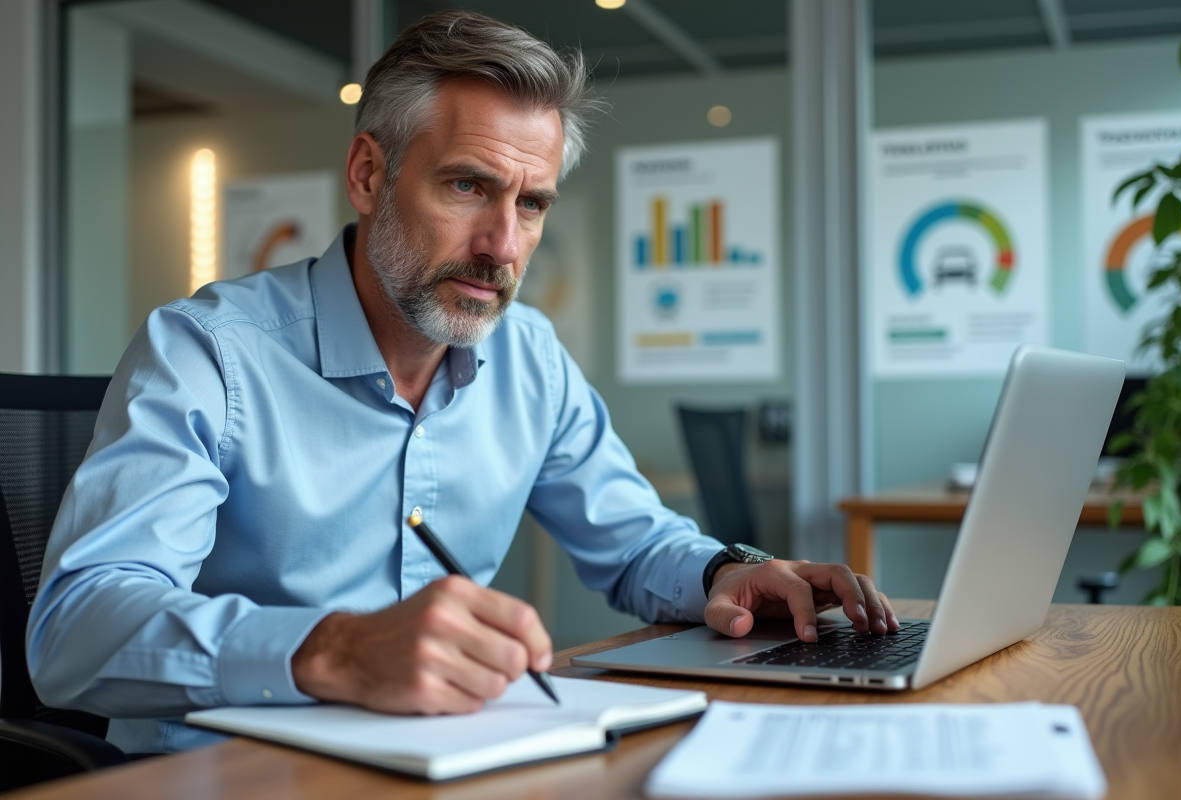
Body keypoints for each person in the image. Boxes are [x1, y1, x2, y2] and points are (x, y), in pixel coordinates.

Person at [28, 10, 896, 754]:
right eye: (468, 186)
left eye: (531, 204)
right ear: (369, 174)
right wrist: (332, 650)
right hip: (231, 771)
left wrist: (722, 571)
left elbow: (634, 545)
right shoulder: (207, 353)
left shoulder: (530, 357)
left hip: (459, 754)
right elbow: (76, 629)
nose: (503, 246)